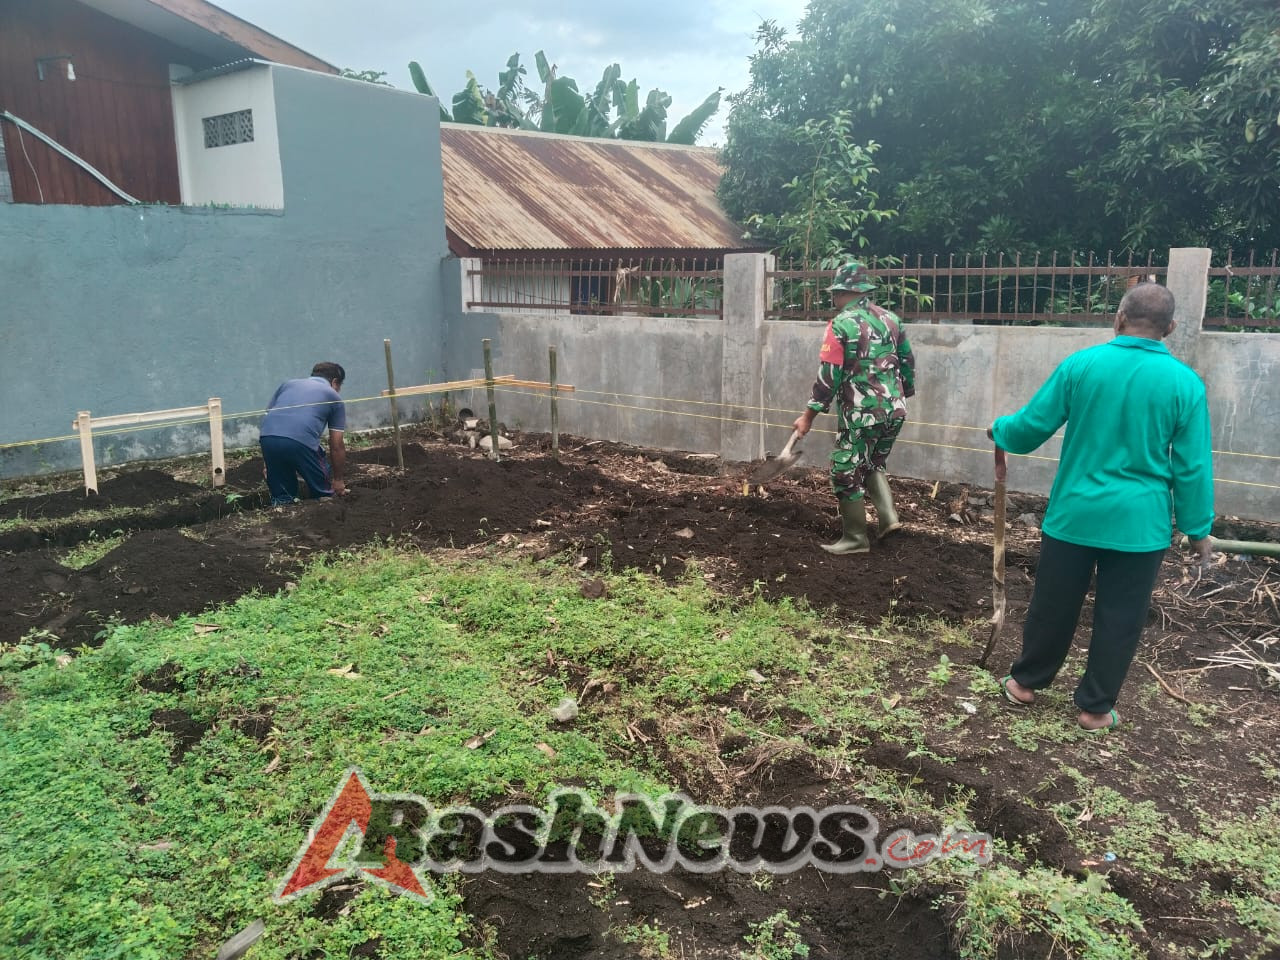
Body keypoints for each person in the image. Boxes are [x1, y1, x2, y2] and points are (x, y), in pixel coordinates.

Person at [990, 283, 1214, 732]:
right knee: (1121, 616)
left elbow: (1030, 427)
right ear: (1169, 328)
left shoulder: (1082, 365)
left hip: (1075, 515)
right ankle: (1094, 709)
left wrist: (1000, 431)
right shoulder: (1185, 384)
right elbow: (1192, 467)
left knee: (1053, 602)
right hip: (1140, 525)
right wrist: (1197, 528)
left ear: (1118, 318)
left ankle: (1025, 684)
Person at [792, 259, 916, 554]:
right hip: (895, 410)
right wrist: (901, 395)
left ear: (844, 292)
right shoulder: (891, 320)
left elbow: (829, 376)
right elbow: (908, 363)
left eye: (835, 293)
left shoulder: (840, 325)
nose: (833, 299)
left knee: (844, 469)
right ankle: (888, 520)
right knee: (872, 462)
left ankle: (855, 539)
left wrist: (808, 416)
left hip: (861, 413)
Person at [259, 362, 348, 506]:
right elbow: (336, 445)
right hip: (301, 443)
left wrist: (268, 463)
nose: (338, 391)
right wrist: (338, 480)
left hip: (268, 439)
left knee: (283, 498)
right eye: (339, 386)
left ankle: (282, 516)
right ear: (335, 382)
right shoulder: (334, 397)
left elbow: (270, 422)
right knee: (324, 495)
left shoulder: (287, 385)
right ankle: (325, 505)